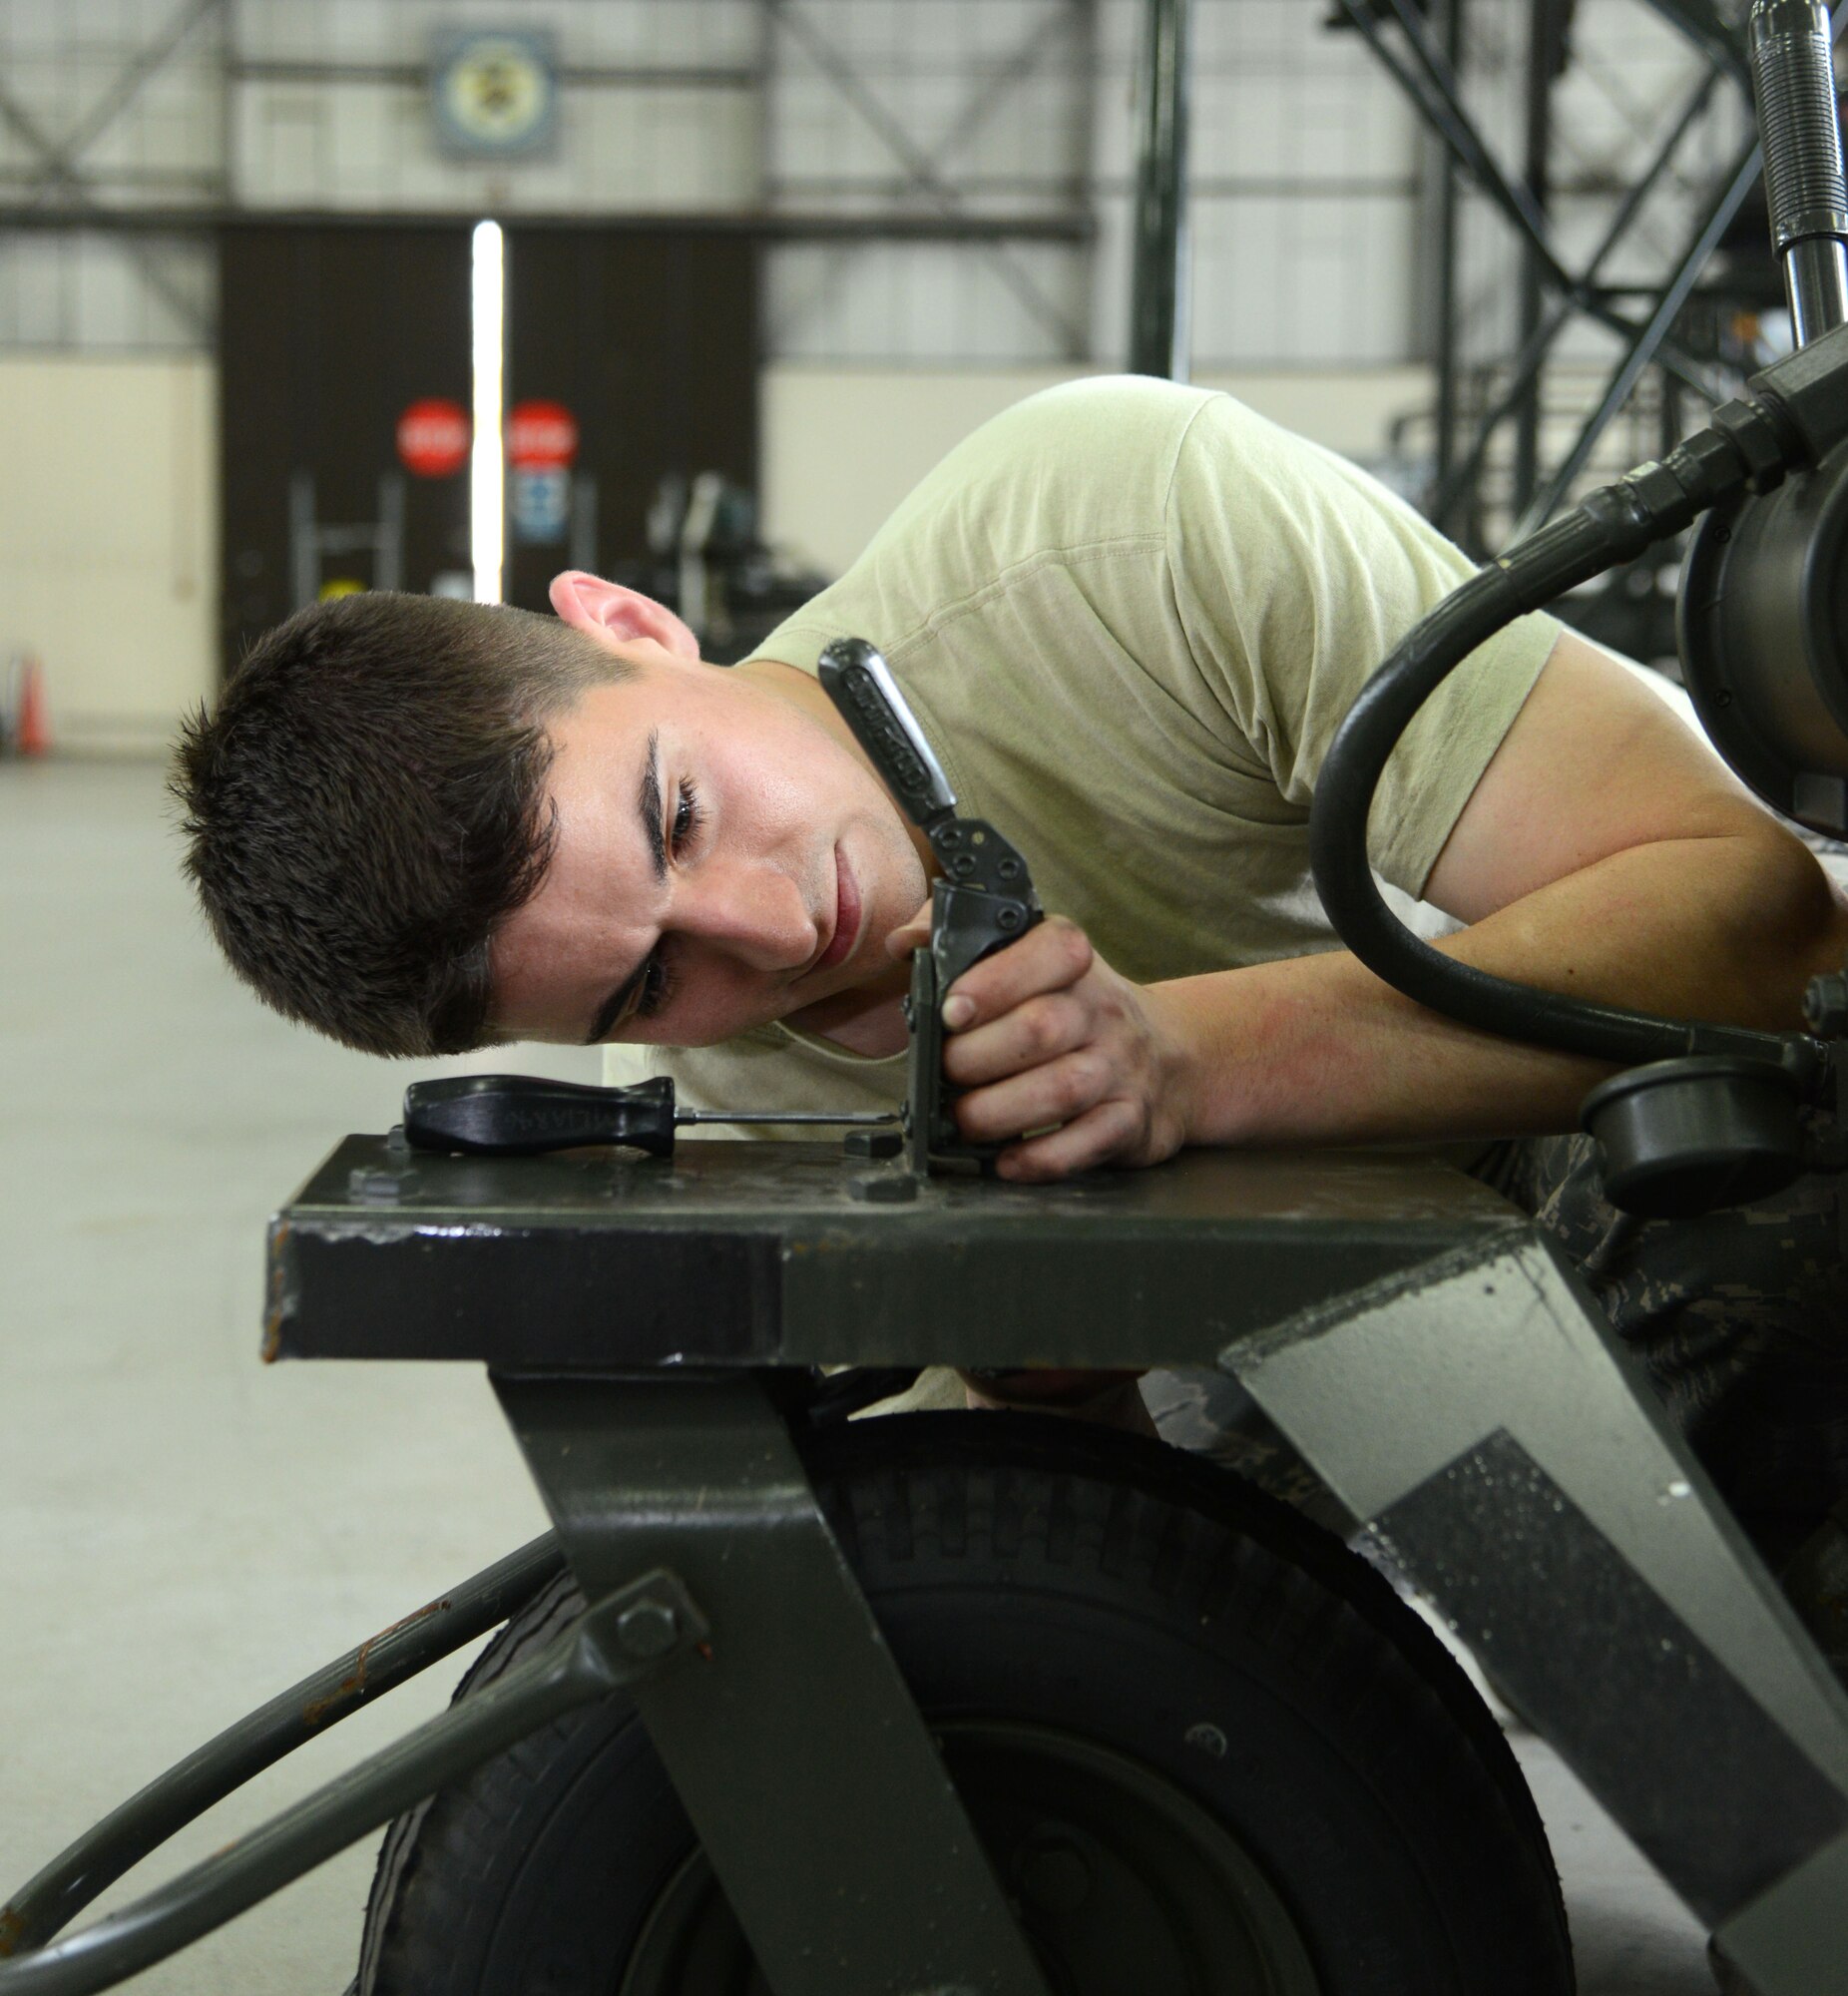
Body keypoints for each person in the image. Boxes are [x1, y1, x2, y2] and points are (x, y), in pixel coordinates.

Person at [174, 375, 1848, 1594]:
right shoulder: (753, 1120)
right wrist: (1068, 1393)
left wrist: (1189, 1063)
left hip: (1651, 1139)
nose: (770, 931)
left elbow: (1768, 927)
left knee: (1754, 1235)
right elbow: (1105, 1571)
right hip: (1367, 1299)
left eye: (679, 811)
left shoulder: (1119, 534)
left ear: (632, 622)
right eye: (647, 990)